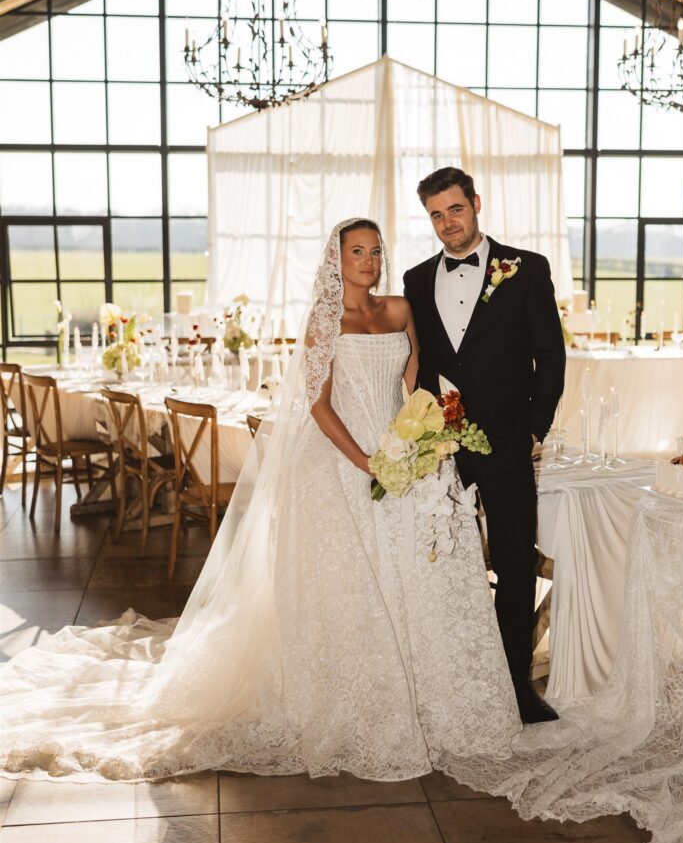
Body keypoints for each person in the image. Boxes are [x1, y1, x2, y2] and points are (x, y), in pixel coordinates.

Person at [0, 218, 521, 784]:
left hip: (400, 444)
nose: (368, 261)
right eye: (356, 252)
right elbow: (319, 407)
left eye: (375, 251)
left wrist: (419, 434)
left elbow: (414, 374)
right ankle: (360, 702)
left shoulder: (398, 309)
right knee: (353, 584)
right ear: (336, 260)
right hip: (343, 453)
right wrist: (367, 462)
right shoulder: (325, 321)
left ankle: (429, 697)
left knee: (416, 571)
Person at [404, 168, 566, 724]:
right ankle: (454, 676)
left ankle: (516, 687)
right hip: (443, 444)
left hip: (507, 442)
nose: (448, 223)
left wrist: (532, 428)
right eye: (436, 215)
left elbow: (551, 355)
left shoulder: (526, 269)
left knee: (517, 560)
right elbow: (425, 364)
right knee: (443, 558)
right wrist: (425, 429)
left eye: (455, 209)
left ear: (476, 204)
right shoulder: (416, 278)